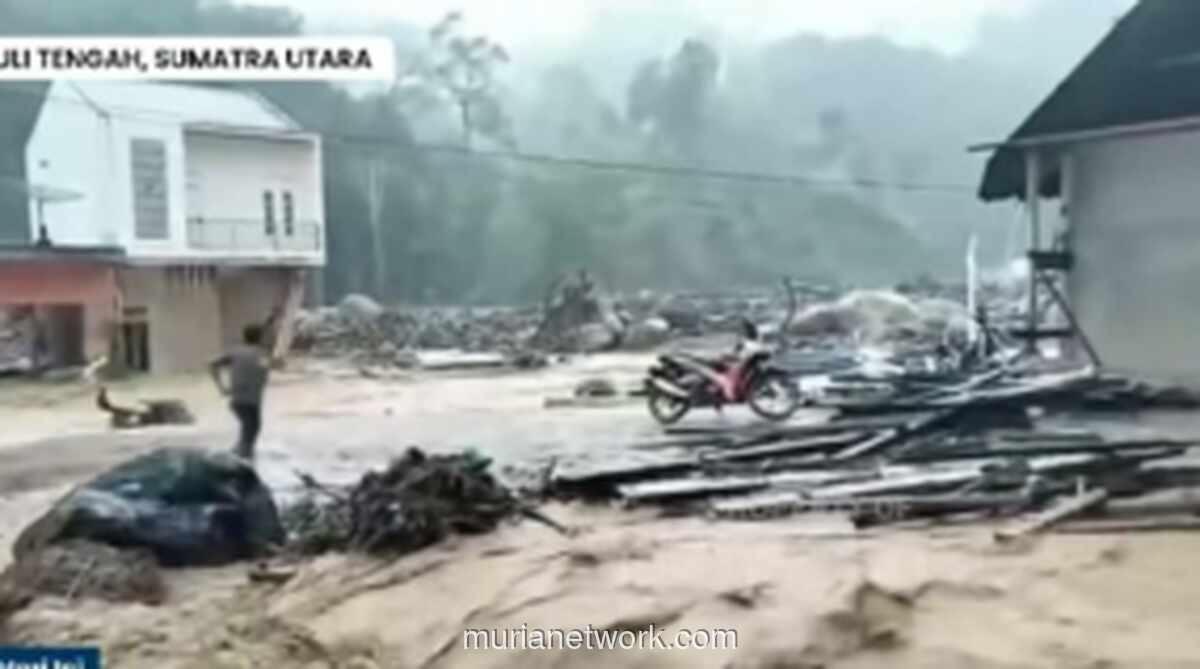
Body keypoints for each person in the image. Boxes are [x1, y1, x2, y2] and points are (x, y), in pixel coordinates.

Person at [209, 325, 270, 462]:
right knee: (251, 430)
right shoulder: (262, 353)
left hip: (238, 400)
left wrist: (221, 387)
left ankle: (240, 453)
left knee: (249, 430)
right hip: (251, 400)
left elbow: (211, 364)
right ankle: (242, 457)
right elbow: (264, 369)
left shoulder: (235, 352)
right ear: (260, 338)